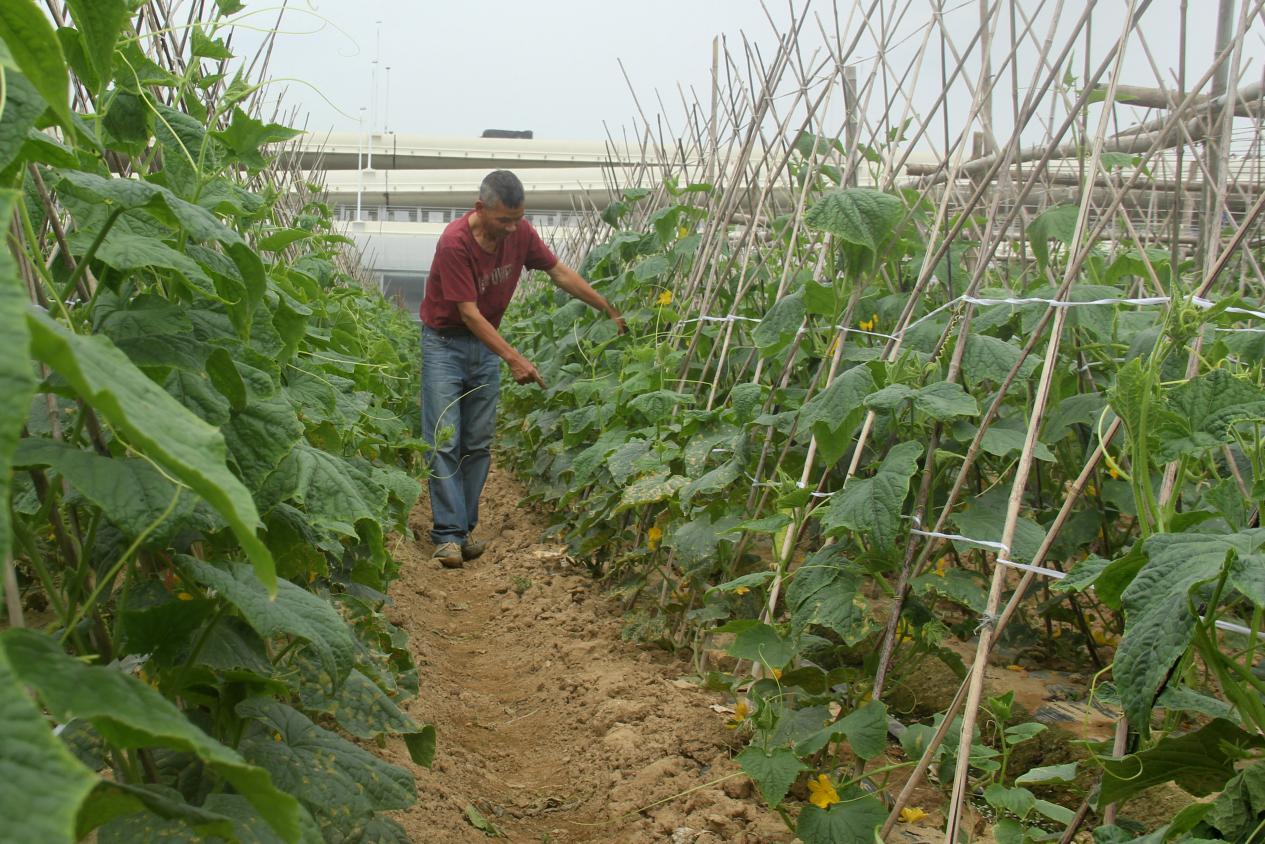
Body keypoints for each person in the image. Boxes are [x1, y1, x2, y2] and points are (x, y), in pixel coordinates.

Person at [418, 170, 625, 568]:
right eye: (504, 220)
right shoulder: (455, 242)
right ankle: (446, 536)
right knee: (445, 438)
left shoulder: (521, 234)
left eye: (519, 218)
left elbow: (558, 272)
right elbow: (469, 314)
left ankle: (463, 531)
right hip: (445, 345)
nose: (513, 228)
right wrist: (513, 357)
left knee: (476, 443)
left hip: (484, 346)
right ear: (481, 210)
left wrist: (605, 305)